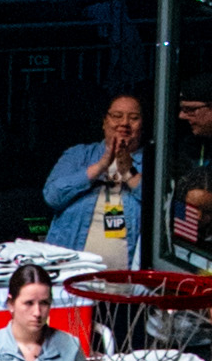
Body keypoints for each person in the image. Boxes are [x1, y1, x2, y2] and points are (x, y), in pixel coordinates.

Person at [43, 92, 145, 260]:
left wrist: (129, 172)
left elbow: (161, 208)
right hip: (71, 266)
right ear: (104, 122)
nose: (124, 123)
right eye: (117, 116)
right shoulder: (78, 155)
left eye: (133, 118)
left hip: (127, 272)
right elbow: (52, 197)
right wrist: (99, 167)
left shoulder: (154, 162)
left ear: (142, 125)